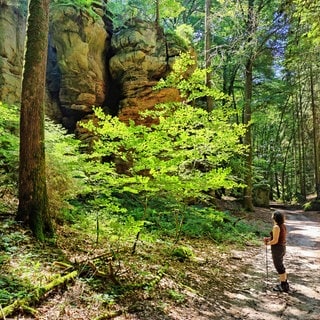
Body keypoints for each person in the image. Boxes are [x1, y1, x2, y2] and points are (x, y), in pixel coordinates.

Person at [264, 211, 289, 292]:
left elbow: (275, 241)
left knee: (279, 267)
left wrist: (268, 243)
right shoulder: (283, 226)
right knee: (281, 266)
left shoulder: (276, 227)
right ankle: (284, 284)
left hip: (277, 249)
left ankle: (283, 286)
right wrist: (269, 239)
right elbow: (278, 237)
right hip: (282, 248)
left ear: (274, 217)